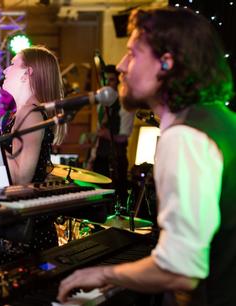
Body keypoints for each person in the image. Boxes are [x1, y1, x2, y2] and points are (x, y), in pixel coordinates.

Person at [58, 7, 235, 306]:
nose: (122, 66)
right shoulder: (220, 119)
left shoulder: (184, 137)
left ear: (166, 63)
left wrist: (104, 274)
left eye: (133, 53)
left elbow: (181, 271)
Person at [0, 46, 67, 265]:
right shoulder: (23, 111)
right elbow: (5, 158)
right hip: (20, 225)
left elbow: (19, 177)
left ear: (28, 73)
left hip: (25, 234)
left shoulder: (31, 112)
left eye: (13, 64)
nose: (5, 70)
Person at [88, 64, 134, 205]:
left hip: (116, 160)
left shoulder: (124, 105)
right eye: (104, 80)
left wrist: (103, 133)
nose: (107, 84)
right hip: (100, 159)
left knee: (115, 201)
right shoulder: (102, 105)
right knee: (96, 201)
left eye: (111, 80)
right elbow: (99, 134)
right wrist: (91, 157)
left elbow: (123, 137)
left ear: (117, 82)